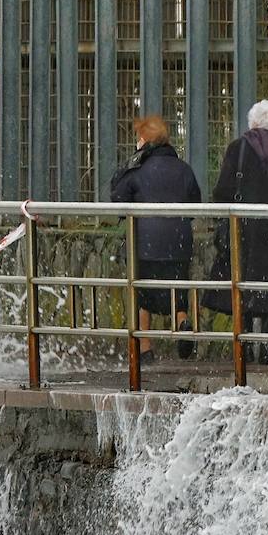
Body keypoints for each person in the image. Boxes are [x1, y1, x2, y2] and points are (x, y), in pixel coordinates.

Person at [202, 100, 268, 359]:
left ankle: (243, 352)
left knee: (243, 288)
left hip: (244, 232)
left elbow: (222, 191)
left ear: (254, 124)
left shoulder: (239, 149)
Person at [110, 114, 202, 361]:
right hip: (178, 242)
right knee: (177, 289)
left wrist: (131, 161)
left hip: (145, 244)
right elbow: (196, 203)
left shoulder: (137, 169)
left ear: (144, 140)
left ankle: (145, 349)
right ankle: (182, 324)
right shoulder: (184, 169)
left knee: (142, 294)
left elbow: (118, 198)